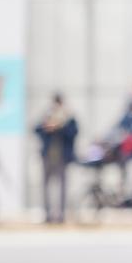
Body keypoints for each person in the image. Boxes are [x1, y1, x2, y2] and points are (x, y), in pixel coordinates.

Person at [37, 94, 79, 223]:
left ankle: (61, 215)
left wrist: (60, 126)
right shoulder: (47, 116)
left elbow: (74, 132)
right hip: (48, 156)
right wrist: (47, 126)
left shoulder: (68, 118)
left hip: (62, 157)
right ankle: (47, 214)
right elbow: (36, 129)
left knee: (62, 187)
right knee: (45, 186)